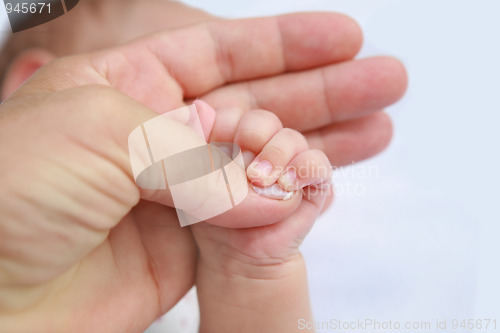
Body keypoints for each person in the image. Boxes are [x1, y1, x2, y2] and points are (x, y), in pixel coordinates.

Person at [0, 0, 408, 332]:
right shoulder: (32, 230)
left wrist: (249, 270)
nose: (216, 147)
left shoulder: (194, 279)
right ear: (33, 87)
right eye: (193, 97)